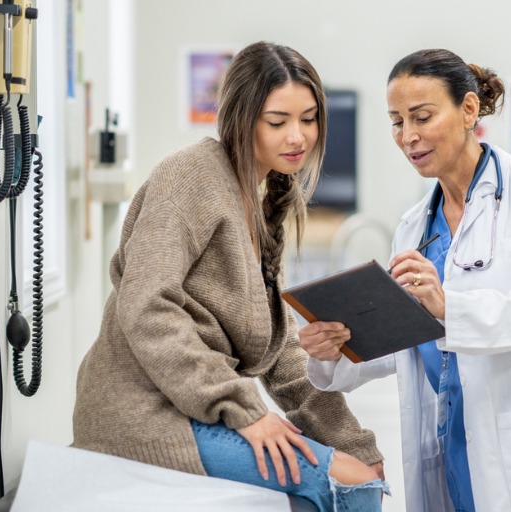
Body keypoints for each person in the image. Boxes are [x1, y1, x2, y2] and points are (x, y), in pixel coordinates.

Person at [299, 49, 511, 512]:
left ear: (468, 110)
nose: (409, 136)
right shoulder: (414, 227)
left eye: (422, 116)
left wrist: (447, 305)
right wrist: (335, 348)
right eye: (397, 122)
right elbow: (408, 344)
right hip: (455, 448)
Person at [71, 41, 387, 511]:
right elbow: (146, 304)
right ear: (241, 119)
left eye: (309, 118)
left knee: (361, 474)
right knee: (351, 488)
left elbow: (281, 352)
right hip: (143, 413)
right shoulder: (190, 178)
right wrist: (245, 412)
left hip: (198, 406)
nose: (298, 136)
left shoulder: (261, 198)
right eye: (278, 122)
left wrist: (351, 441)